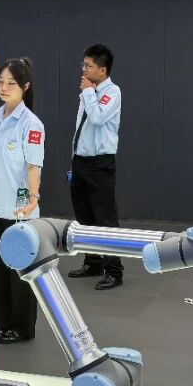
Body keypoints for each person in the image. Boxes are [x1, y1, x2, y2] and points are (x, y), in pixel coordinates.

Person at [0, 58, 44, 345]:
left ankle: (22, 327)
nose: (4, 88)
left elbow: (33, 167)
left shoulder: (31, 124)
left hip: (19, 210)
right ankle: (3, 322)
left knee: (19, 273)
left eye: (11, 83)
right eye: (0, 82)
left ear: (25, 86)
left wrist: (33, 199)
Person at [67, 44, 124, 290]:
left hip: (100, 165)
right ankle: (93, 262)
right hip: (80, 161)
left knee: (105, 219)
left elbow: (98, 117)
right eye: (84, 64)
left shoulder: (112, 91)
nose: (84, 69)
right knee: (84, 217)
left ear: (102, 70)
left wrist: (89, 92)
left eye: (88, 65)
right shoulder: (88, 91)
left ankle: (114, 270)